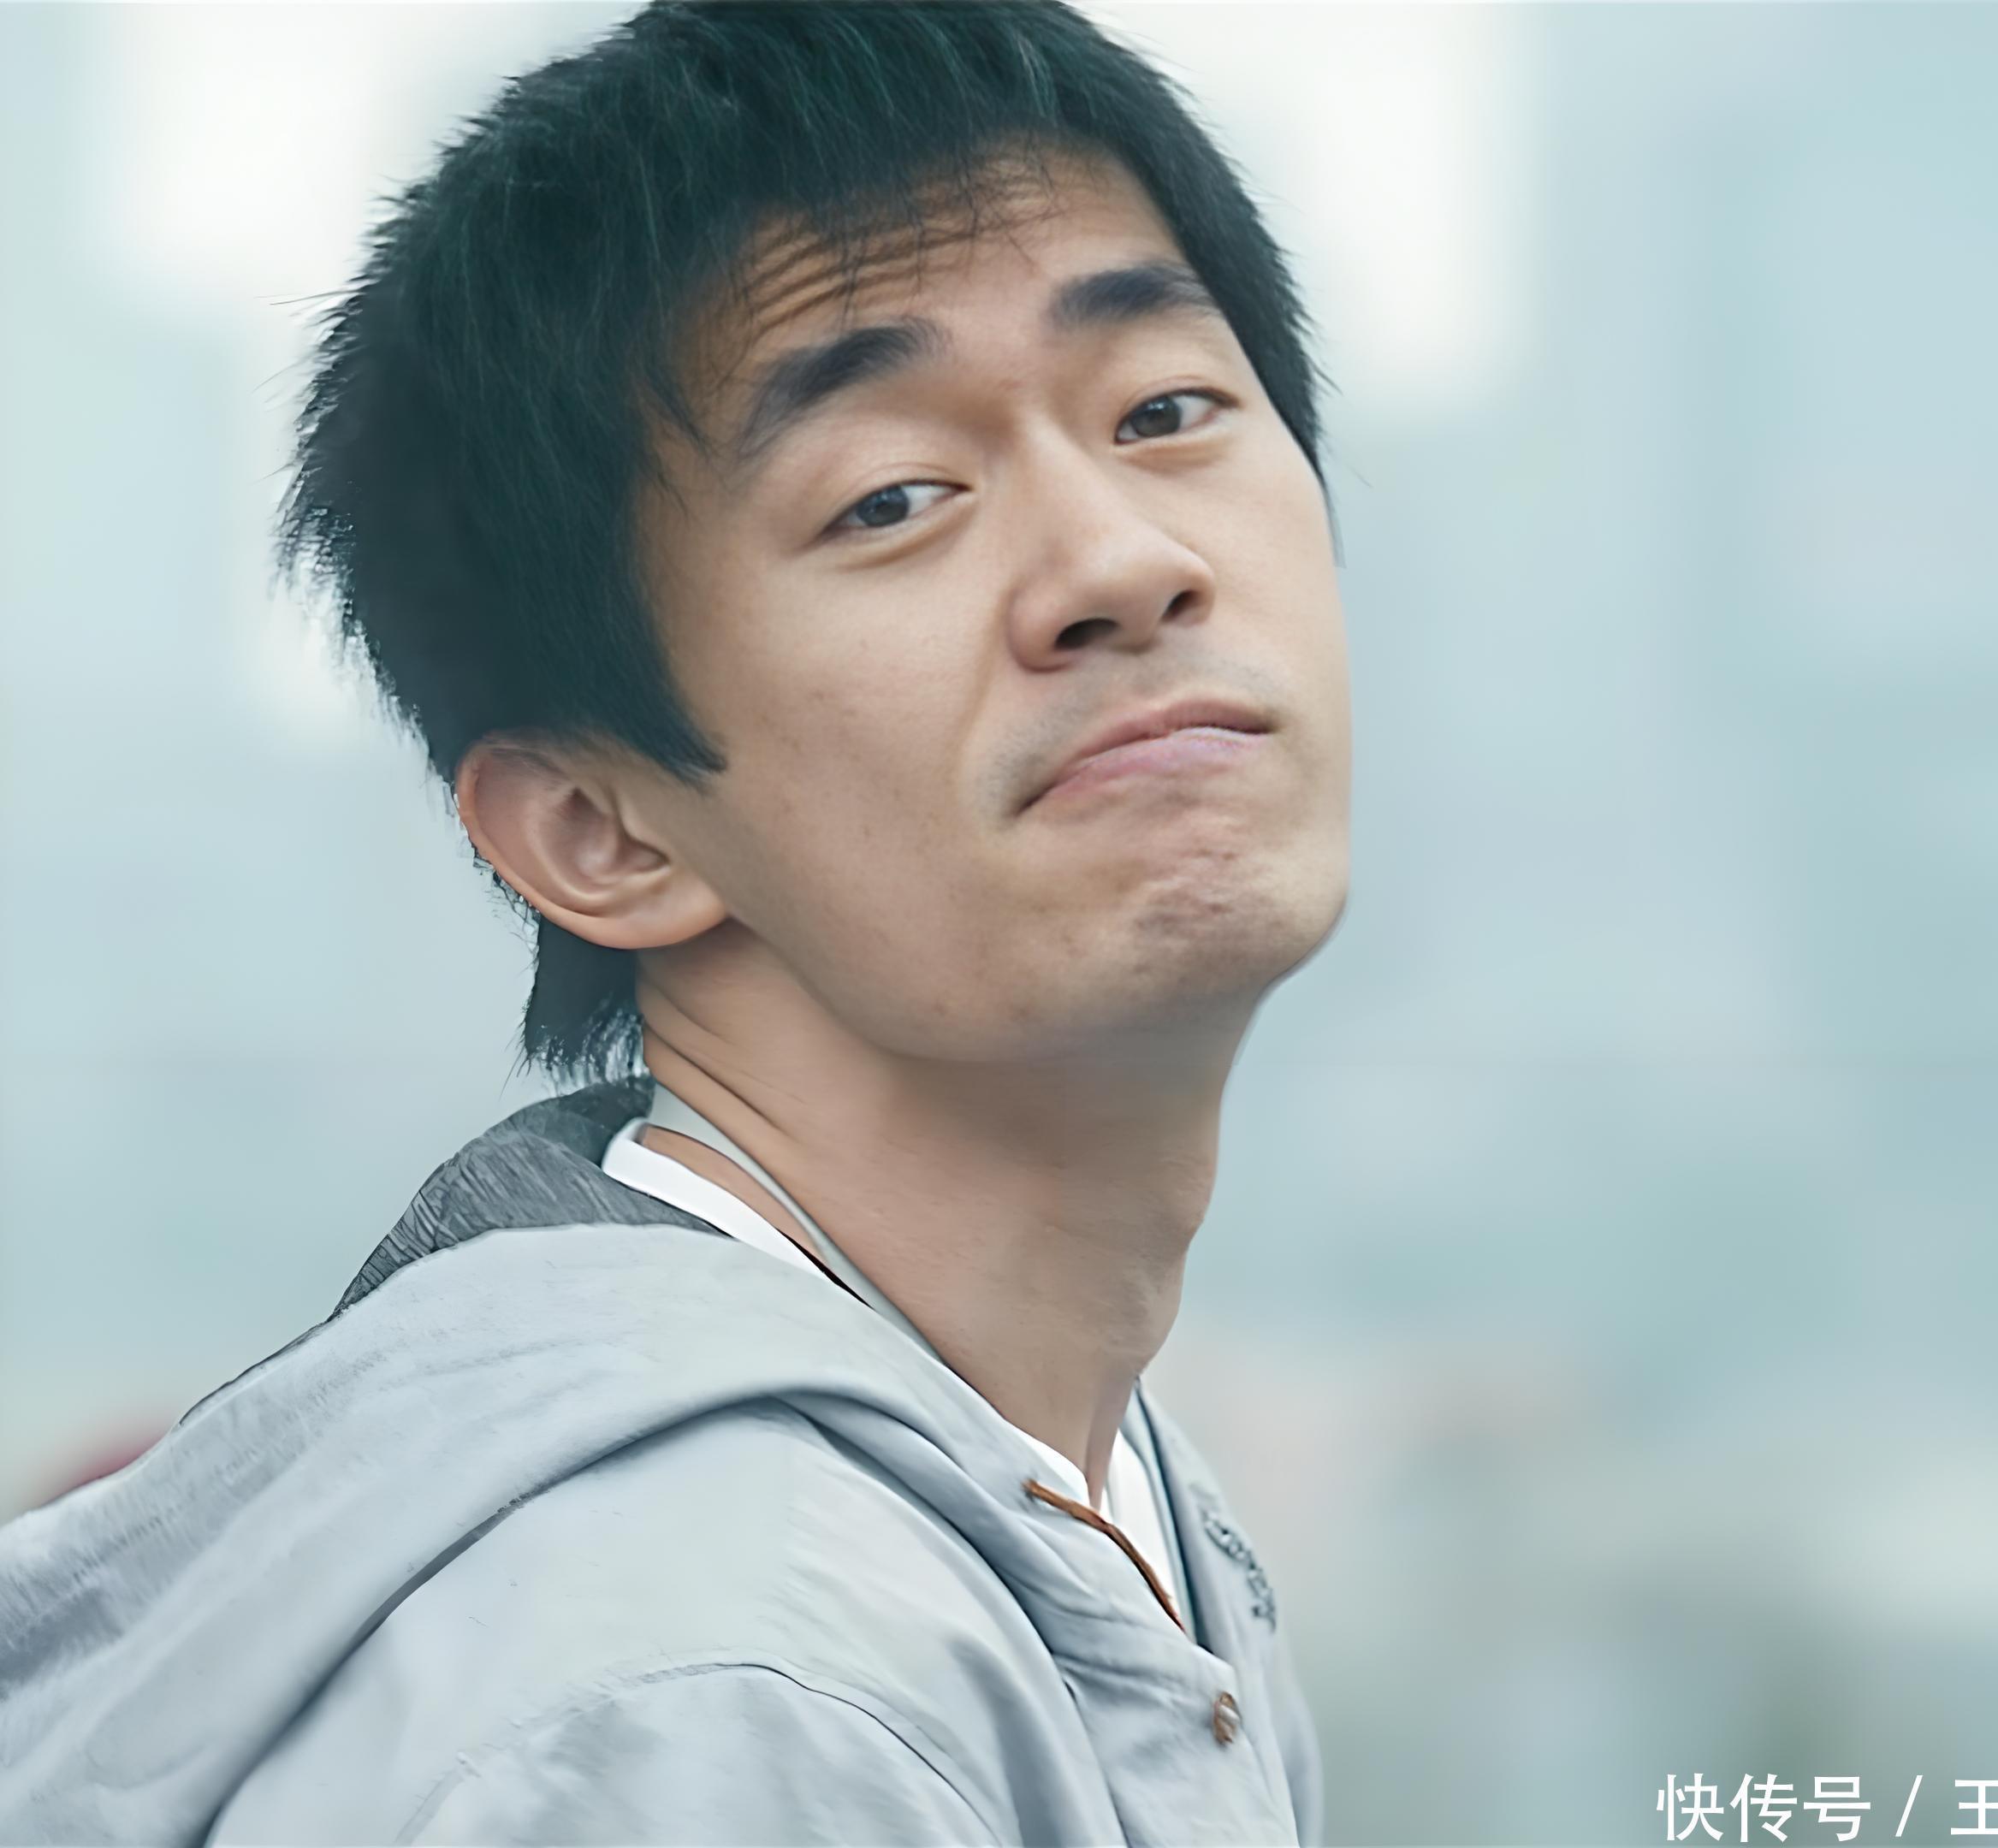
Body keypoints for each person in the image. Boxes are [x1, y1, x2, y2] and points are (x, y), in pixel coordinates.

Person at [0, 2, 1351, 1840]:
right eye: (893, 498)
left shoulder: (1060, 1495)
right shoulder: (722, 1697)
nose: (1123, 563)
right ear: (597, 829)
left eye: (1166, 412)